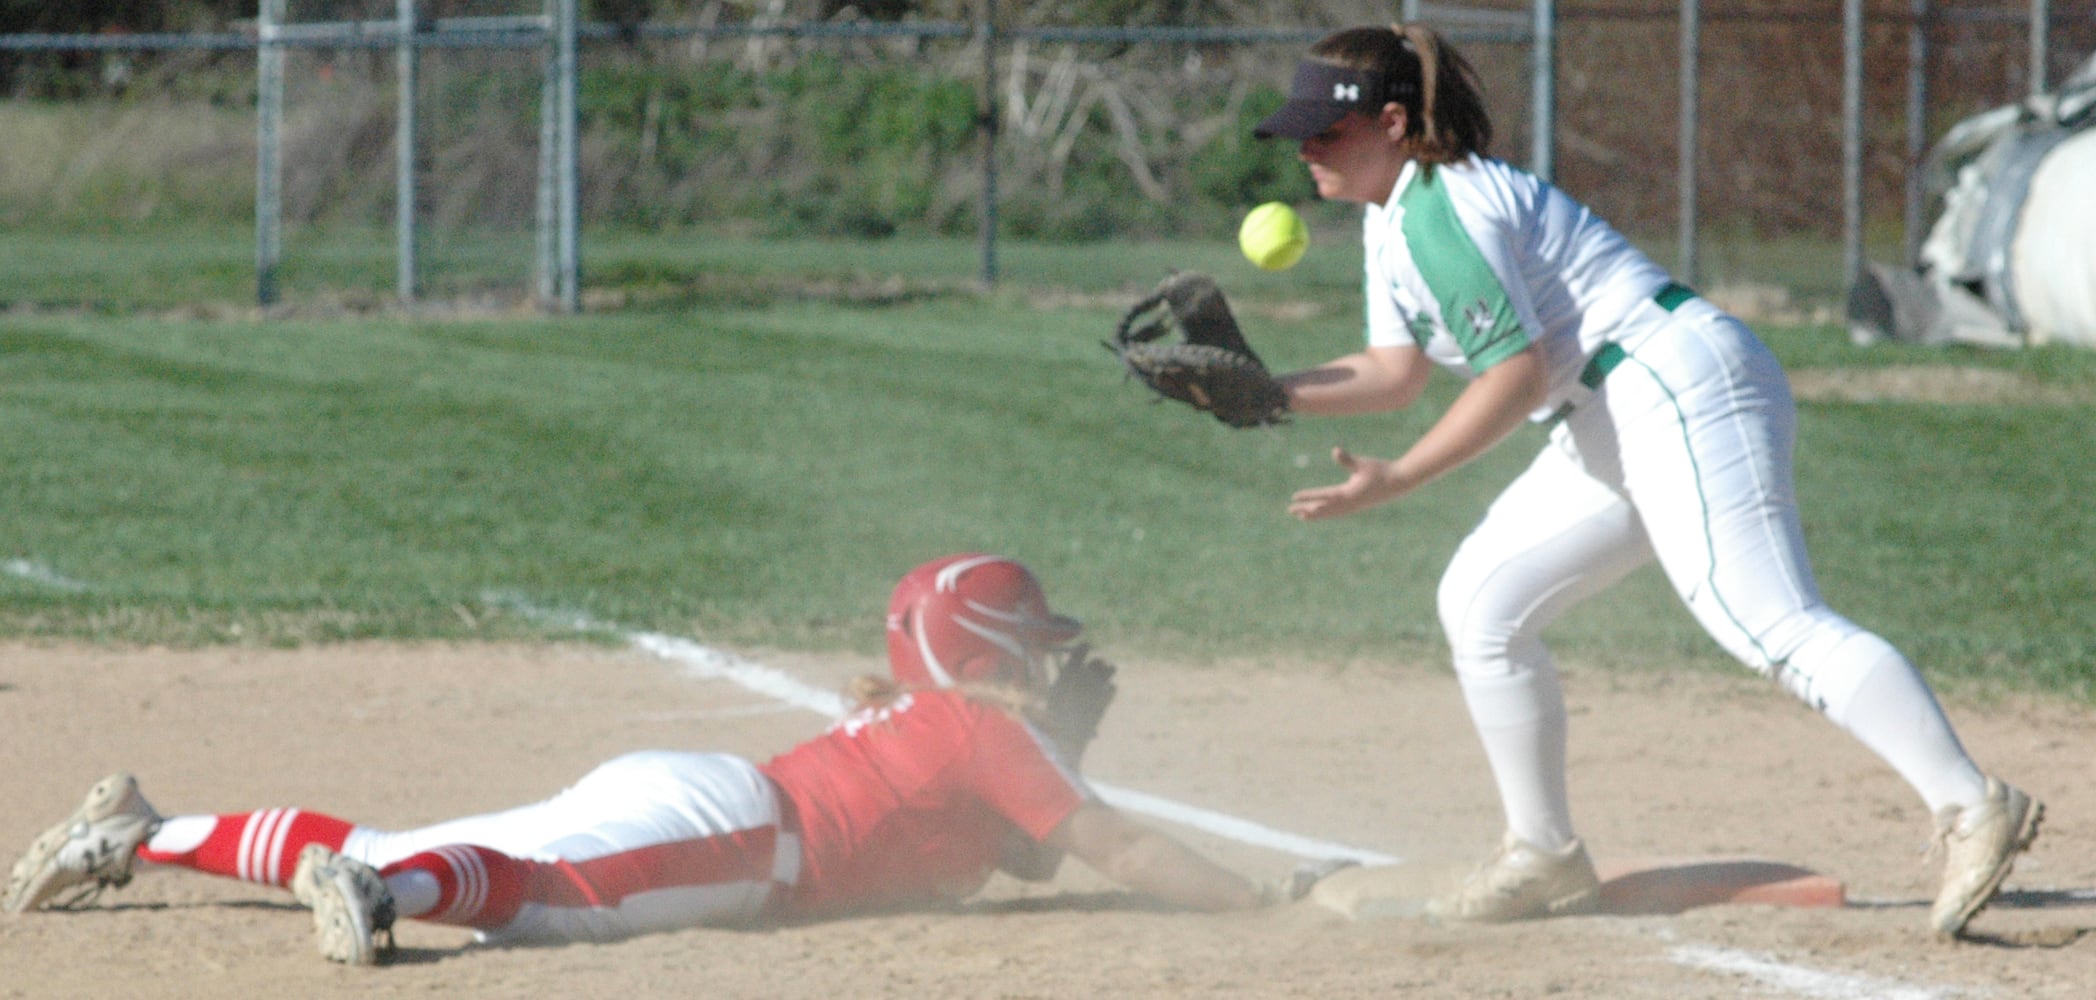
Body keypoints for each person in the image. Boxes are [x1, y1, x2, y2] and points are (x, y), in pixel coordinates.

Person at [1250, 24, 2041, 936]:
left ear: (1393, 124)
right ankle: (1542, 855)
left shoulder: (1443, 205)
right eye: (1302, 132)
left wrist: (1400, 478)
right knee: (1482, 601)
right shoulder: (1392, 217)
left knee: (1765, 620)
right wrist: (1266, 395)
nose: (1305, 148)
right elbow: (1397, 370)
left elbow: (1512, 374)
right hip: (1616, 407)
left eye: (1326, 131)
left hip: (1671, 380)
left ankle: (1973, 802)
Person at [4, 553, 1284, 964]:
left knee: (407, 844)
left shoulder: (951, 727)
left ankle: (134, 831)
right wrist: (1252, 895)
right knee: (546, 897)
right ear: (995, 652)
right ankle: (382, 901)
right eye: (1038, 652)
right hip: (739, 837)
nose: (1055, 668)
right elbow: (1104, 848)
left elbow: (1029, 859)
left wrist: (1064, 750)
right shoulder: (987, 730)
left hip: (701, 793)